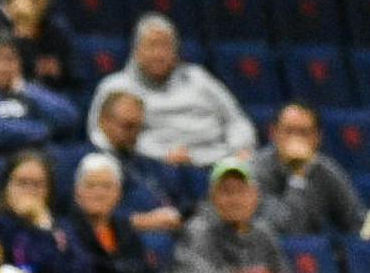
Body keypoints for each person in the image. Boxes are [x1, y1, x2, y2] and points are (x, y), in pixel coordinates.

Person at [86, 15, 255, 168]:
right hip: (156, 166)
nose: (159, 54)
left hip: (219, 162)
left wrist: (240, 149)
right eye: (152, 46)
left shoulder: (199, 77)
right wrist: (161, 155)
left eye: (166, 47)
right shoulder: (115, 87)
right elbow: (100, 135)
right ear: (136, 50)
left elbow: (237, 119)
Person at [0, 150, 99, 273]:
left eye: (38, 185)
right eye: (22, 183)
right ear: (6, 187)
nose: (29, 191)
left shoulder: (62, 228)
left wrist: (43, 226)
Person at [252, 103, 368, 237]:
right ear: (273, 133)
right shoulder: (257, 170)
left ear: (317, 137)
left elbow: (357, 221)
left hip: (311, 255)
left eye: (303, 133)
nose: (295, 140)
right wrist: (298, 176)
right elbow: (289, 230)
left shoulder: (325, 169)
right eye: (288, 131)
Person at [174, 159, 287, 273]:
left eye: (242, 191)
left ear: (255, 196)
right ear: (212, 197)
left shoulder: (264, 232)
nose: (235, 200)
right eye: (226, 191)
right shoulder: (197, 231)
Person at [93, 89, 189, 232]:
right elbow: (93, 212)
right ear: (103, 121)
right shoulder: (87, 162)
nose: (134, 134)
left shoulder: (144, 161)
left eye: (139, 127)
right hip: (131, 234)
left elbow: (178, 194)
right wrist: (142, 221)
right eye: (128, 126)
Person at [65, 152, 152, 273]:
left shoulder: (125, 228)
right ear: (77, 192)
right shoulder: (65, 231)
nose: (99, 193)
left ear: (118, 193)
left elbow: (143, 271)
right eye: (90, 186)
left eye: (106, 186)